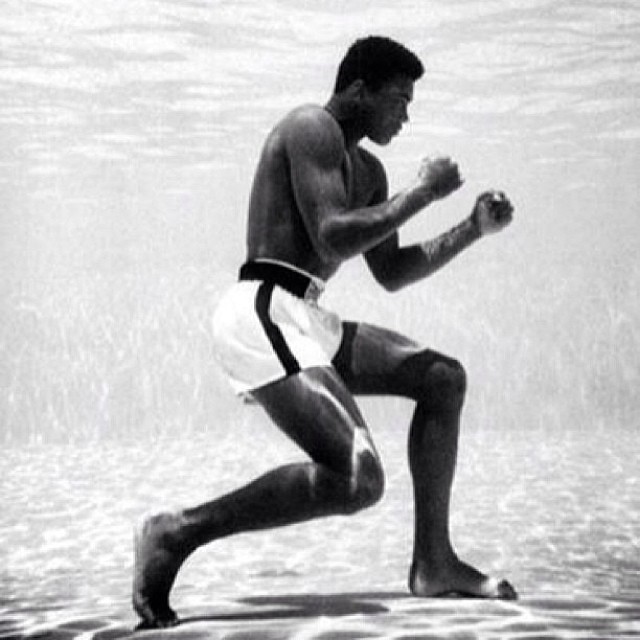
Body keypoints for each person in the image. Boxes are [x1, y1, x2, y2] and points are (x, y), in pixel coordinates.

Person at [132, 35, 516, 629]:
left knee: (442, 379)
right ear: (358, 90)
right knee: (359, 478)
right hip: (261, 308)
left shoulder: (368, 170)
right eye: (397, 99)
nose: (405, 114)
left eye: (410, 103)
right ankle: (177, 532)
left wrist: (470, 228)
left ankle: (434, 563)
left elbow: (390, 271)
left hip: (307, 316)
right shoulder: (311, 127)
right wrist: (422, 192)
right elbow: (332, 234)